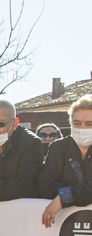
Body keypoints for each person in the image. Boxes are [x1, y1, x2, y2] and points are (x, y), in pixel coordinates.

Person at [40, 96, 92, 228]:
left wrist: (65, 196)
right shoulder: (58, 148)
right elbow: (46, 186)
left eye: (89, 124)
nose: (82, 128)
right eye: (77, 123)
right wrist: (83, 190)